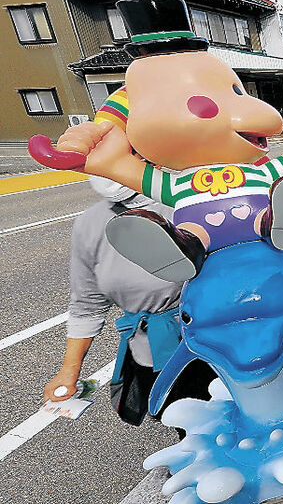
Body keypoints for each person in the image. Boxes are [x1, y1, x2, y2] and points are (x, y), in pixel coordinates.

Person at [43, 176, 215, 426]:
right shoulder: (91, 224)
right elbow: (86, 303)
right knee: (175, 417)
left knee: (214, 420)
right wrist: (69, 369)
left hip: (210, 345)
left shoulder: (189, 204)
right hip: (149, 349)